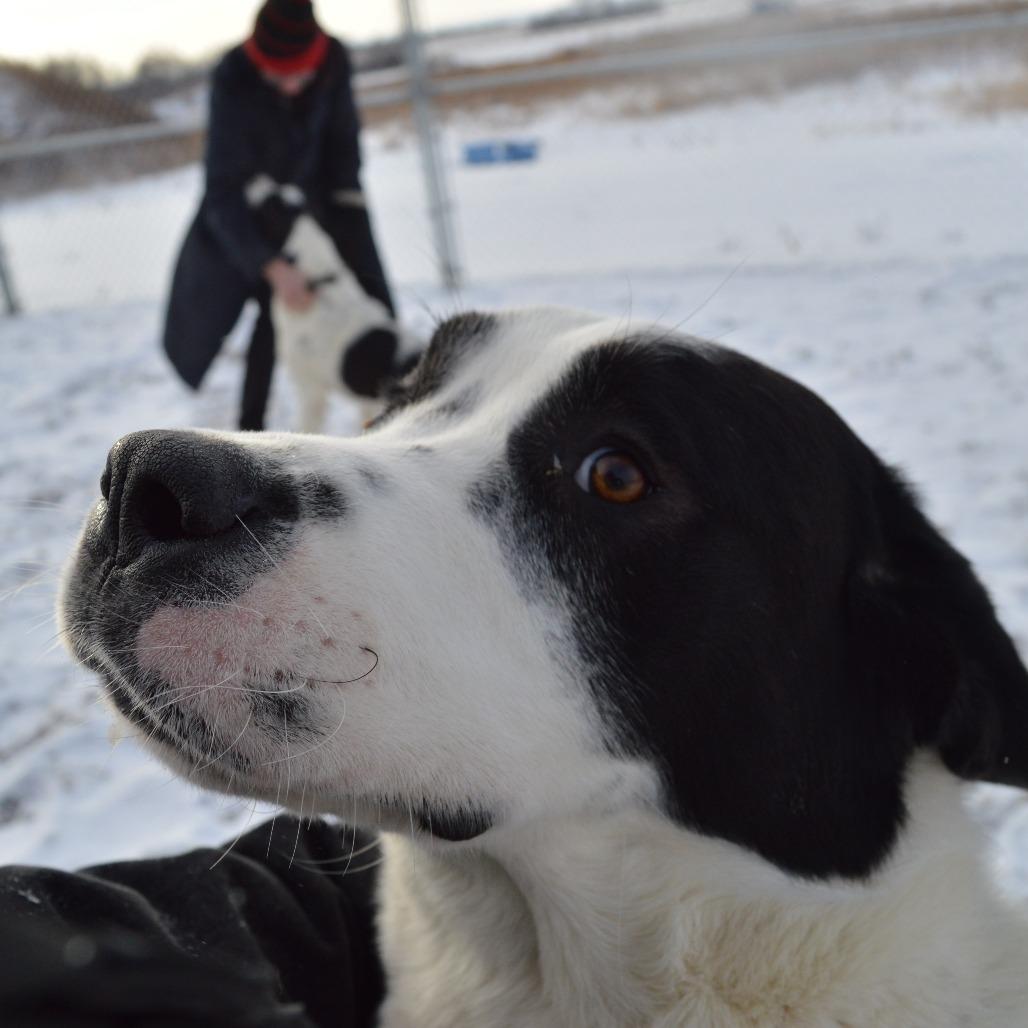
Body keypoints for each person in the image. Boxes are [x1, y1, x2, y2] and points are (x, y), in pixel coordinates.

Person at [162, 0, 398, 431]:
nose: (290, 86)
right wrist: (268, 264)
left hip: (316, 203)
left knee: (372, 297)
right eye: (277, 76)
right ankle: (250, 431)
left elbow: (343, 144)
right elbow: (222, 188)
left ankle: (388, 409)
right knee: (267, 320)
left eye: (299, 75)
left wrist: (347, 215)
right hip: (251, 215)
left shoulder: (333, 58)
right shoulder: (232, 75)